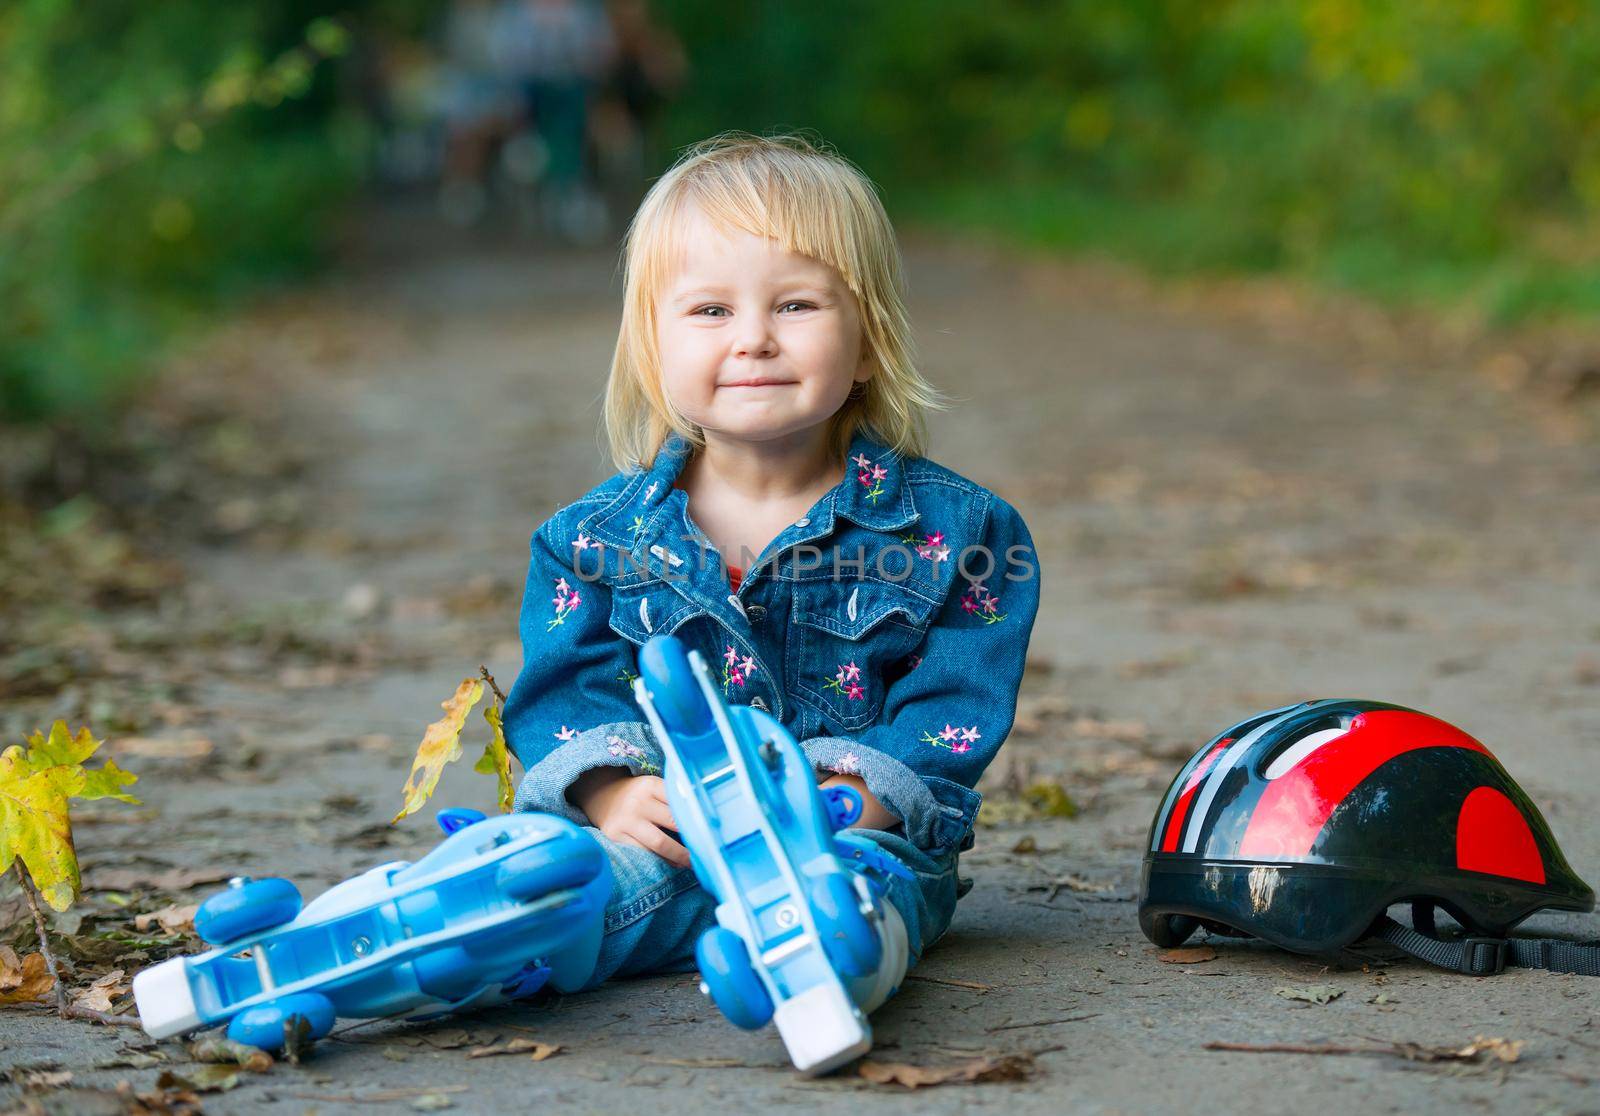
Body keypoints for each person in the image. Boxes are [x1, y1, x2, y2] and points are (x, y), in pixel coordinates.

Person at [502, 133, 1041, 998]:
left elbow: (952, 707)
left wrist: (849, 804)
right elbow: (568, 690)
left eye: (795, 306)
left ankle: (830, 958)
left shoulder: (964, 533)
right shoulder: (589, 540)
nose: (753, 339)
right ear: (654, 348)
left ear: (869, 343)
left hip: (850, 839)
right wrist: (608, 792)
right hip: (673, 838)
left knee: (874, 889)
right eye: (710, 311)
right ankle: (468, 941)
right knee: (572, 885)